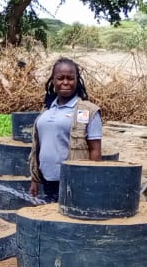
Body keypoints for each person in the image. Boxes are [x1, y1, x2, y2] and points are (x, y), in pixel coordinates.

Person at [28, 57, 103, 201]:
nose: (66, 82)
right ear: (53, 81)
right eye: (60, 78)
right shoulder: (47, 110)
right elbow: (37, 147)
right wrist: (35, 179)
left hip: (74, 181)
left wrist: (92, 182)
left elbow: (95, 150)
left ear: (77, 80)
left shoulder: (88, 111)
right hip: (47, 179)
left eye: (70, 78)